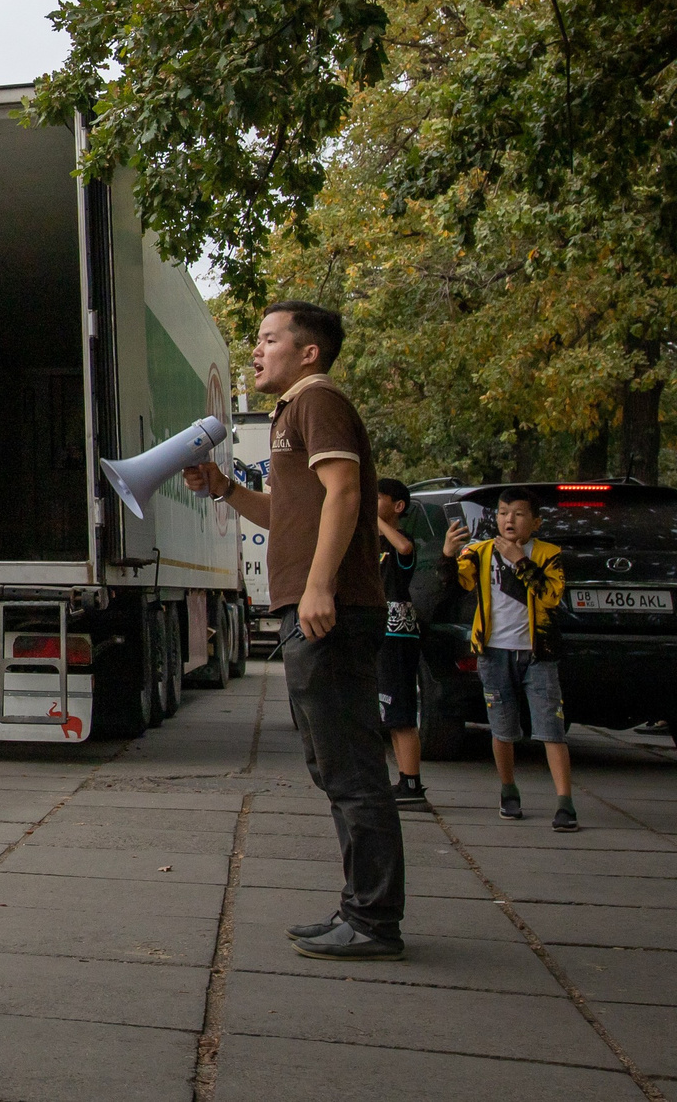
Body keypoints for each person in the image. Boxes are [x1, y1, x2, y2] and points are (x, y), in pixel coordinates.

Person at [184, 300, 403, 960]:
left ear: (308, 352)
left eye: (269, 339)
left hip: (329, 609)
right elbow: (286, 514)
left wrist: (318, 585)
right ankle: (361, 909)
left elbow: (345, 494)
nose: (257, 350)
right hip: (317, 606)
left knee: (352, 767)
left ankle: (373, 920)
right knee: (336, 763)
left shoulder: (318, 399)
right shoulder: (294, 412)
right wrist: (224, 487)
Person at [442, 489, 577, 831]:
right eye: (503, 513)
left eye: (518, 514)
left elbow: (550, 596)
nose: (509, 520)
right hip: (493, 651)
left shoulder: (549, 554)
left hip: (538, 654)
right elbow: (455, 584)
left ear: (535, 521)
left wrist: (519, 560)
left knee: (551, 728)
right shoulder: (481, 552)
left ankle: (564, 802)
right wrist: (448, 554)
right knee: (502, 727)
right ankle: (508, 790)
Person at [375, 477, 431, 809]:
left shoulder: (402, 540)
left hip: (398, 632)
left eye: (377, 498)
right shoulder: (373, 540)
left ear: (398, 506)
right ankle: (401, 780)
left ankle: (412, 782)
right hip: (378, 631)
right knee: (387, 709)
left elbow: (405, 549)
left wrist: (377, 519)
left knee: (400, 710)